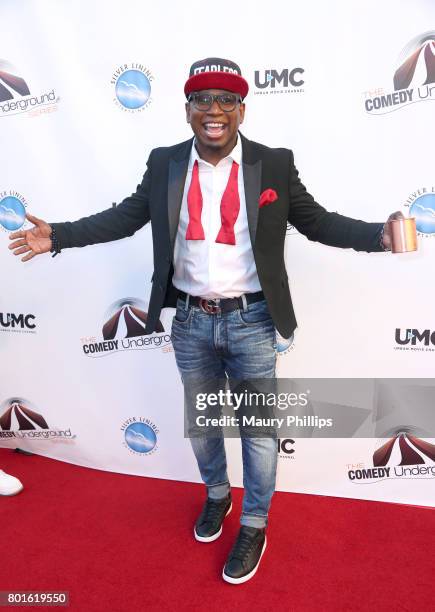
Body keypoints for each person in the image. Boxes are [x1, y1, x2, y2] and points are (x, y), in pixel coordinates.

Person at [8, 57, 402, 584]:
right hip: (191, 321)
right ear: (188, 110)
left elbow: (317, 222)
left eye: (225, 100)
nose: (213, 110)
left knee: (259, 433)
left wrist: (379, 235)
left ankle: (255, 523)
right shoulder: (166, 163)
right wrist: (56, 235)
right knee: (204, 427)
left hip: (253, 321)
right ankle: (217, 497)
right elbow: (124, 216)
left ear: (242, 109)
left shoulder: (274, 164)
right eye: (201, 100)